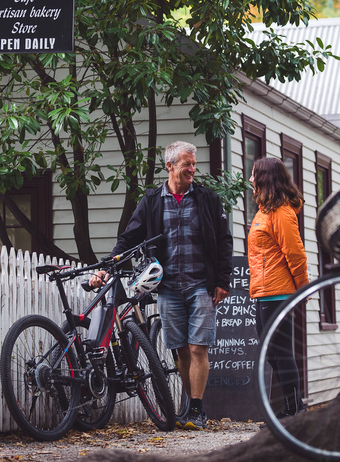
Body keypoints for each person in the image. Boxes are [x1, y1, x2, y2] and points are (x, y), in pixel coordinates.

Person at [90, 141, 233, 430]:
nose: (192, 169)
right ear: (169, 166)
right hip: (167, 288)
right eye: (186, 164)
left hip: (200, 286)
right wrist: (107, 265)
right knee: (180, 350)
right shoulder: (153, 201)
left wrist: (222, 281)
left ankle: (196, 409)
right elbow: (128, 238)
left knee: (198, 348)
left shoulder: (207, 199)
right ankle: (187, 406)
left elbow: (223, 241)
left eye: (194, 164)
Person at [247, 157, 308, 417]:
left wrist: (303, 289)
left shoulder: (282, 212)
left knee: (281, 354)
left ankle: (295, 411)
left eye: (254, 175)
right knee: (271, 353)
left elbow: (295, 253)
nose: (250, 180)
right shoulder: (265, 211)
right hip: (263, 292)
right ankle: (291, 408)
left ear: (265, 179)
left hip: (280, 293)